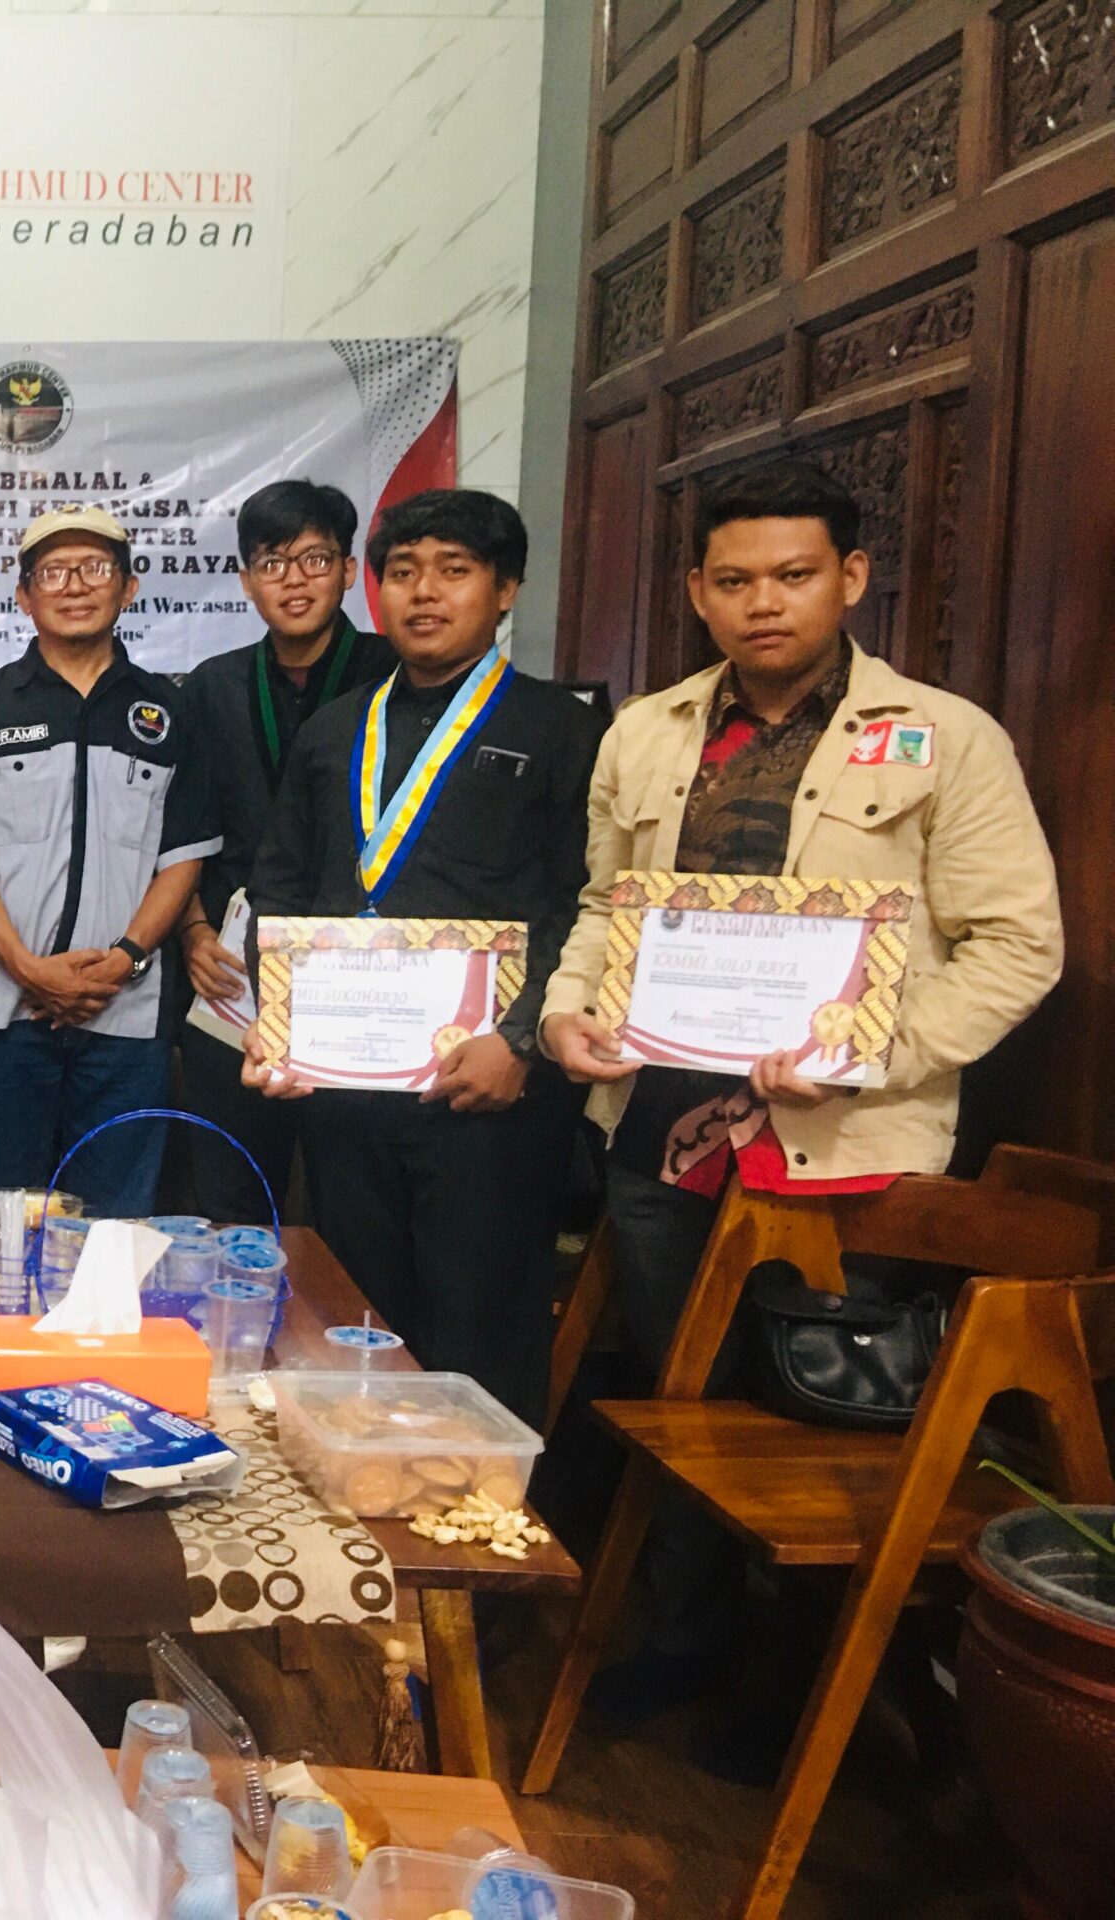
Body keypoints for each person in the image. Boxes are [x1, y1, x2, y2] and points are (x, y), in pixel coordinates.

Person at [538, 457, 1062, 1748]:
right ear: (696, 592)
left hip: (845, 1146)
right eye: (734, 580)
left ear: (852, 576)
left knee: (822, 1414)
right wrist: (564, 1012)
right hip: (664, 1127)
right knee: (683, 1396)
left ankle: (807, 1685)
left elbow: (1019, 945)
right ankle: (688, 1638)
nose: (763, 603)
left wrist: (874, 1051)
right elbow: (605, 905)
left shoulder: (944, 738)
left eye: (793, 575)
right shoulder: (646, 733)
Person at [242, 488, 603, 1424]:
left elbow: (585, 905)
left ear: (505, 589)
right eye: (402, 572)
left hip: (487, 1095)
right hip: (346, 1092)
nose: (424, 592)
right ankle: (359, 1499)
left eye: (454, 571)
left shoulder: (563, 731)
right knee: (354, 1317)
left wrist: (519, 1044)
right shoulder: (336, 730)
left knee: (479, 1328)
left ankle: (477, 1509)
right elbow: (280, 889)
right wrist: (279, 1024)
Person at [0, 505, 222, 1213]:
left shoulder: (168, 712)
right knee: (2, 1221)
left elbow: (182, 859)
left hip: (127, 1018)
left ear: (129, 587)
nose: (74, 585)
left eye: (95, 568)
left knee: (114, 1228)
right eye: (53, 571)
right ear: (23, 595)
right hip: (5, 1015)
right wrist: (28, 968)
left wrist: (124, 960)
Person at [172, 480, 393, 1221]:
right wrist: (193, 931)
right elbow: (180, 829)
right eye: (272, 563)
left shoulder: (394, 675)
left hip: (358, 972)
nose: (294, 580)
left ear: (348, 569)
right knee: (232, 1191)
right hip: (231, 969)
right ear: (246, 580)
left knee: (352, 1198)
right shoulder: (211, 687)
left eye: (314, 559)